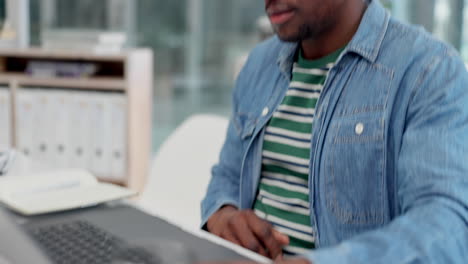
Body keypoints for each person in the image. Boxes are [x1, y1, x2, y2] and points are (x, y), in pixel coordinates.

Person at [201, 0, 468, 263]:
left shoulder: (429, 70)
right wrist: (224, 215)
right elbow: (228, 176)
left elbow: (446, 228)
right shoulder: (259, 64)